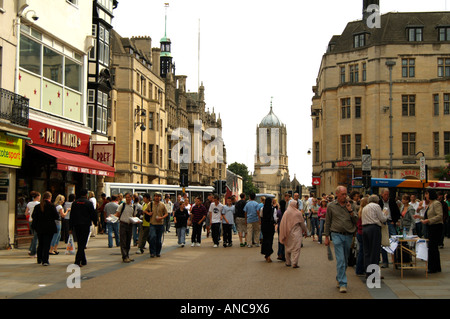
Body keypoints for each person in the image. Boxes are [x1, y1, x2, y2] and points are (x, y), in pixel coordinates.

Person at [324, 186, 358, 293]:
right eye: (343, 194)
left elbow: (356, 220)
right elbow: (328, 221)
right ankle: (343, 283)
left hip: (348, 235)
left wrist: (350, 211)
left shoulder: (351, 205)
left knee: (346, 259)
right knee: (341, 259)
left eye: (346, 194)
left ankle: (339, 277)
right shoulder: (331, 206)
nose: (345, 196)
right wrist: (326, 236)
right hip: (336, 234)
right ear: (337, 194)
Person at [362, 195, 388, 278]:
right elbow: (382, 219)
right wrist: (385, 214)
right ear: (377, 201)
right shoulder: (376, 206)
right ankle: (374, 274)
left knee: (367, 252)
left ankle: (368, 272)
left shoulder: (365, 207)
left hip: (365, 229)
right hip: (374, 228)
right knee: (374, 251)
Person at [69, 189, 98, 267]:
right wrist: (95, 222)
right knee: (83, 243)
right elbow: (93, 213)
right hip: (85, 224)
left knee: (80, 242)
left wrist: (70, 227)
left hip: (77, 225)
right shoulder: (89, 203)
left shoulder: (75, 203)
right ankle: (77, 261)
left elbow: (72, 215)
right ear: (86, 195)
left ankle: (83, 260)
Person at [31, 191, 59, 266]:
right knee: (47, 244)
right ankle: (45, 260)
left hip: (39, 228)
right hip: (49, 228)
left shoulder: (38, 206)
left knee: (41, 243)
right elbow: (56, 216)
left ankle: (39, 259)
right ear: (50, 197)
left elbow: (33, 216)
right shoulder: (51, 206)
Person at [279, 200, 307, 268]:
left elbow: (282, 223)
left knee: (287, 247)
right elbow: (302, 223)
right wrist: (305, 231)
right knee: (296, 247)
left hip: (288, 232)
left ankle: (288, 262)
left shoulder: (286, 212)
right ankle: (295, 262)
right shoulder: (298, 213)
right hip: (297, 231)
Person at [421, 189, 443, 273]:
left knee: (432, 247)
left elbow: (439, 216)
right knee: (432, 247)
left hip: (436, 227)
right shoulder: (430, 204)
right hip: (431, 227)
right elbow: (428, 216)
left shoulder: (436, 203)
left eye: (427, 194)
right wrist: (420, 218)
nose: (425, 196)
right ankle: (436, 266)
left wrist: (429, 220)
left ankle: (433, 267)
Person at [378, 188, 400, 268]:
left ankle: (395, 261)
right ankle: (385, 261)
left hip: (390, 222)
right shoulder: (379, 203)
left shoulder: (392, 202)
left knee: (394, 241)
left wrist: (394, 221)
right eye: (385, 194)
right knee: (384, 242)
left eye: (388, 194)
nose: (387, 196)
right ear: (382, 195)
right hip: (383, 223)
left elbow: (397, 213)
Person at [114, 193, 136, 263]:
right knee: (123, 241)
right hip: (123, 224)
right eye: (126, 197)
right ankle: (124, 256)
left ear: (132, 198)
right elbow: (117, 214)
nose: (127, 199)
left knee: (128, 241)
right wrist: (111, 217)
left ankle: (127, 255)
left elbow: (134, 216)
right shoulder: (122, 205)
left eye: (129, 197)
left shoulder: (133, 206)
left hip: (130, 225)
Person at [148, 192, 168, 257]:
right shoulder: (150, 204)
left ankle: (158, 252)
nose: (157, 197)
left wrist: (161, 217)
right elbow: (145, 211)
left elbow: (166, 213)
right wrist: (149, 213)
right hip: (152, 224)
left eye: (158, 196)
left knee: (159, 240)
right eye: (156, 196)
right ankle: (152, 252)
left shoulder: (162, 205)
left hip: (160, 224)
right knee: (152, 237)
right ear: (154, 197)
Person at [260, 197, 276, 262]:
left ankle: (266, 253)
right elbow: (275, 218)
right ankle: (268, 254)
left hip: (264, 226)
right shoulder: (273, 209)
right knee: (270, 240)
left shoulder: (262, 208)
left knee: (265, 239)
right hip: (270, 226)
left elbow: (261, 216)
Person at [355, 196, 368, 276]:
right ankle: (360, 269)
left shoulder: (360, 211)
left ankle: (359, 268)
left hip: (359, 232)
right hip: (363, 232)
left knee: (361, 251)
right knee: (363, 252)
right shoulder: (365, 212)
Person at [26, 191, 41, 257]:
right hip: (37, 221)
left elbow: (26, 213)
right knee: (36, 237)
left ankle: (30, 249)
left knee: (34, 236)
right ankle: (33, 252)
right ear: (37, 197)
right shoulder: (39, 204)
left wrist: (30, 212)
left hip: (30, 221)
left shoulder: (29, 203)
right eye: (40, 196)